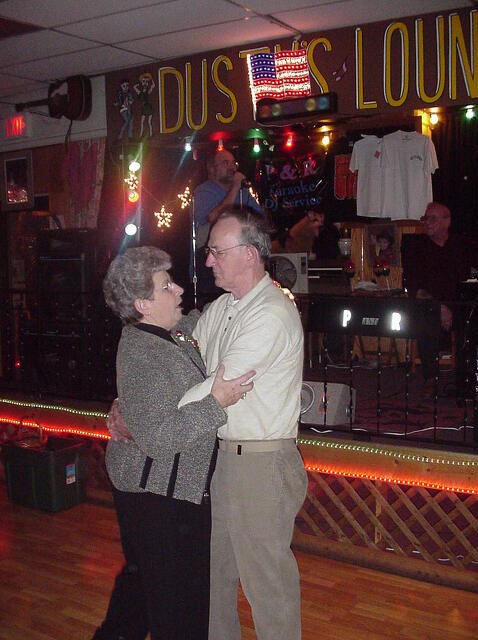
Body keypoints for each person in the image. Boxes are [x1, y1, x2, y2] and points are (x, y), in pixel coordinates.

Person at [109, 212, 308, 640]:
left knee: (267, 588)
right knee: (214, 584)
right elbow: (167, 339)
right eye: (210, 251)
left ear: (249, 255)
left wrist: (143, 418)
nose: (208, 260)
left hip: (259, 464)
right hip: (217, 464)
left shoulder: (270, 314)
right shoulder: (222, 308)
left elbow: (219, 388)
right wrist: (132, 403)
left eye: (217, 251)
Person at [93, 246, 254, 640]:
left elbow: (206, 317)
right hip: (157, 498)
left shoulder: (171, 332)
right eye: (167, 286)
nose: (179, 289)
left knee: (144, 586)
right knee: (179, 607)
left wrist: (245, 290)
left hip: (158, 491)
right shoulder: (141, 352)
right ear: (143, 304)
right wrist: (216, 403)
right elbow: (159, 439)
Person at [403, 201, 478, 382]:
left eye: (433, 218)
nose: (427, 222)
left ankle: (467, 376)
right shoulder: (416, 247)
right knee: (425, 317)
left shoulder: (462, 245)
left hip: (459, 305)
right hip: (430, 305)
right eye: (426, 218)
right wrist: (440, 308)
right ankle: (431, 378)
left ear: (447, 222)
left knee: (473, 317)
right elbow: (415, 287)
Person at [191, 148, 264, 307]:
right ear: (212, 169)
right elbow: (215, 217)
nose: (232, 167)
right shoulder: (204, 191)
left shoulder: (242, 192)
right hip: (211, 261)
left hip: (238, 260)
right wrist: (236, 186)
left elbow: (261, 219)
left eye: (233, 163)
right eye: (225, 163)